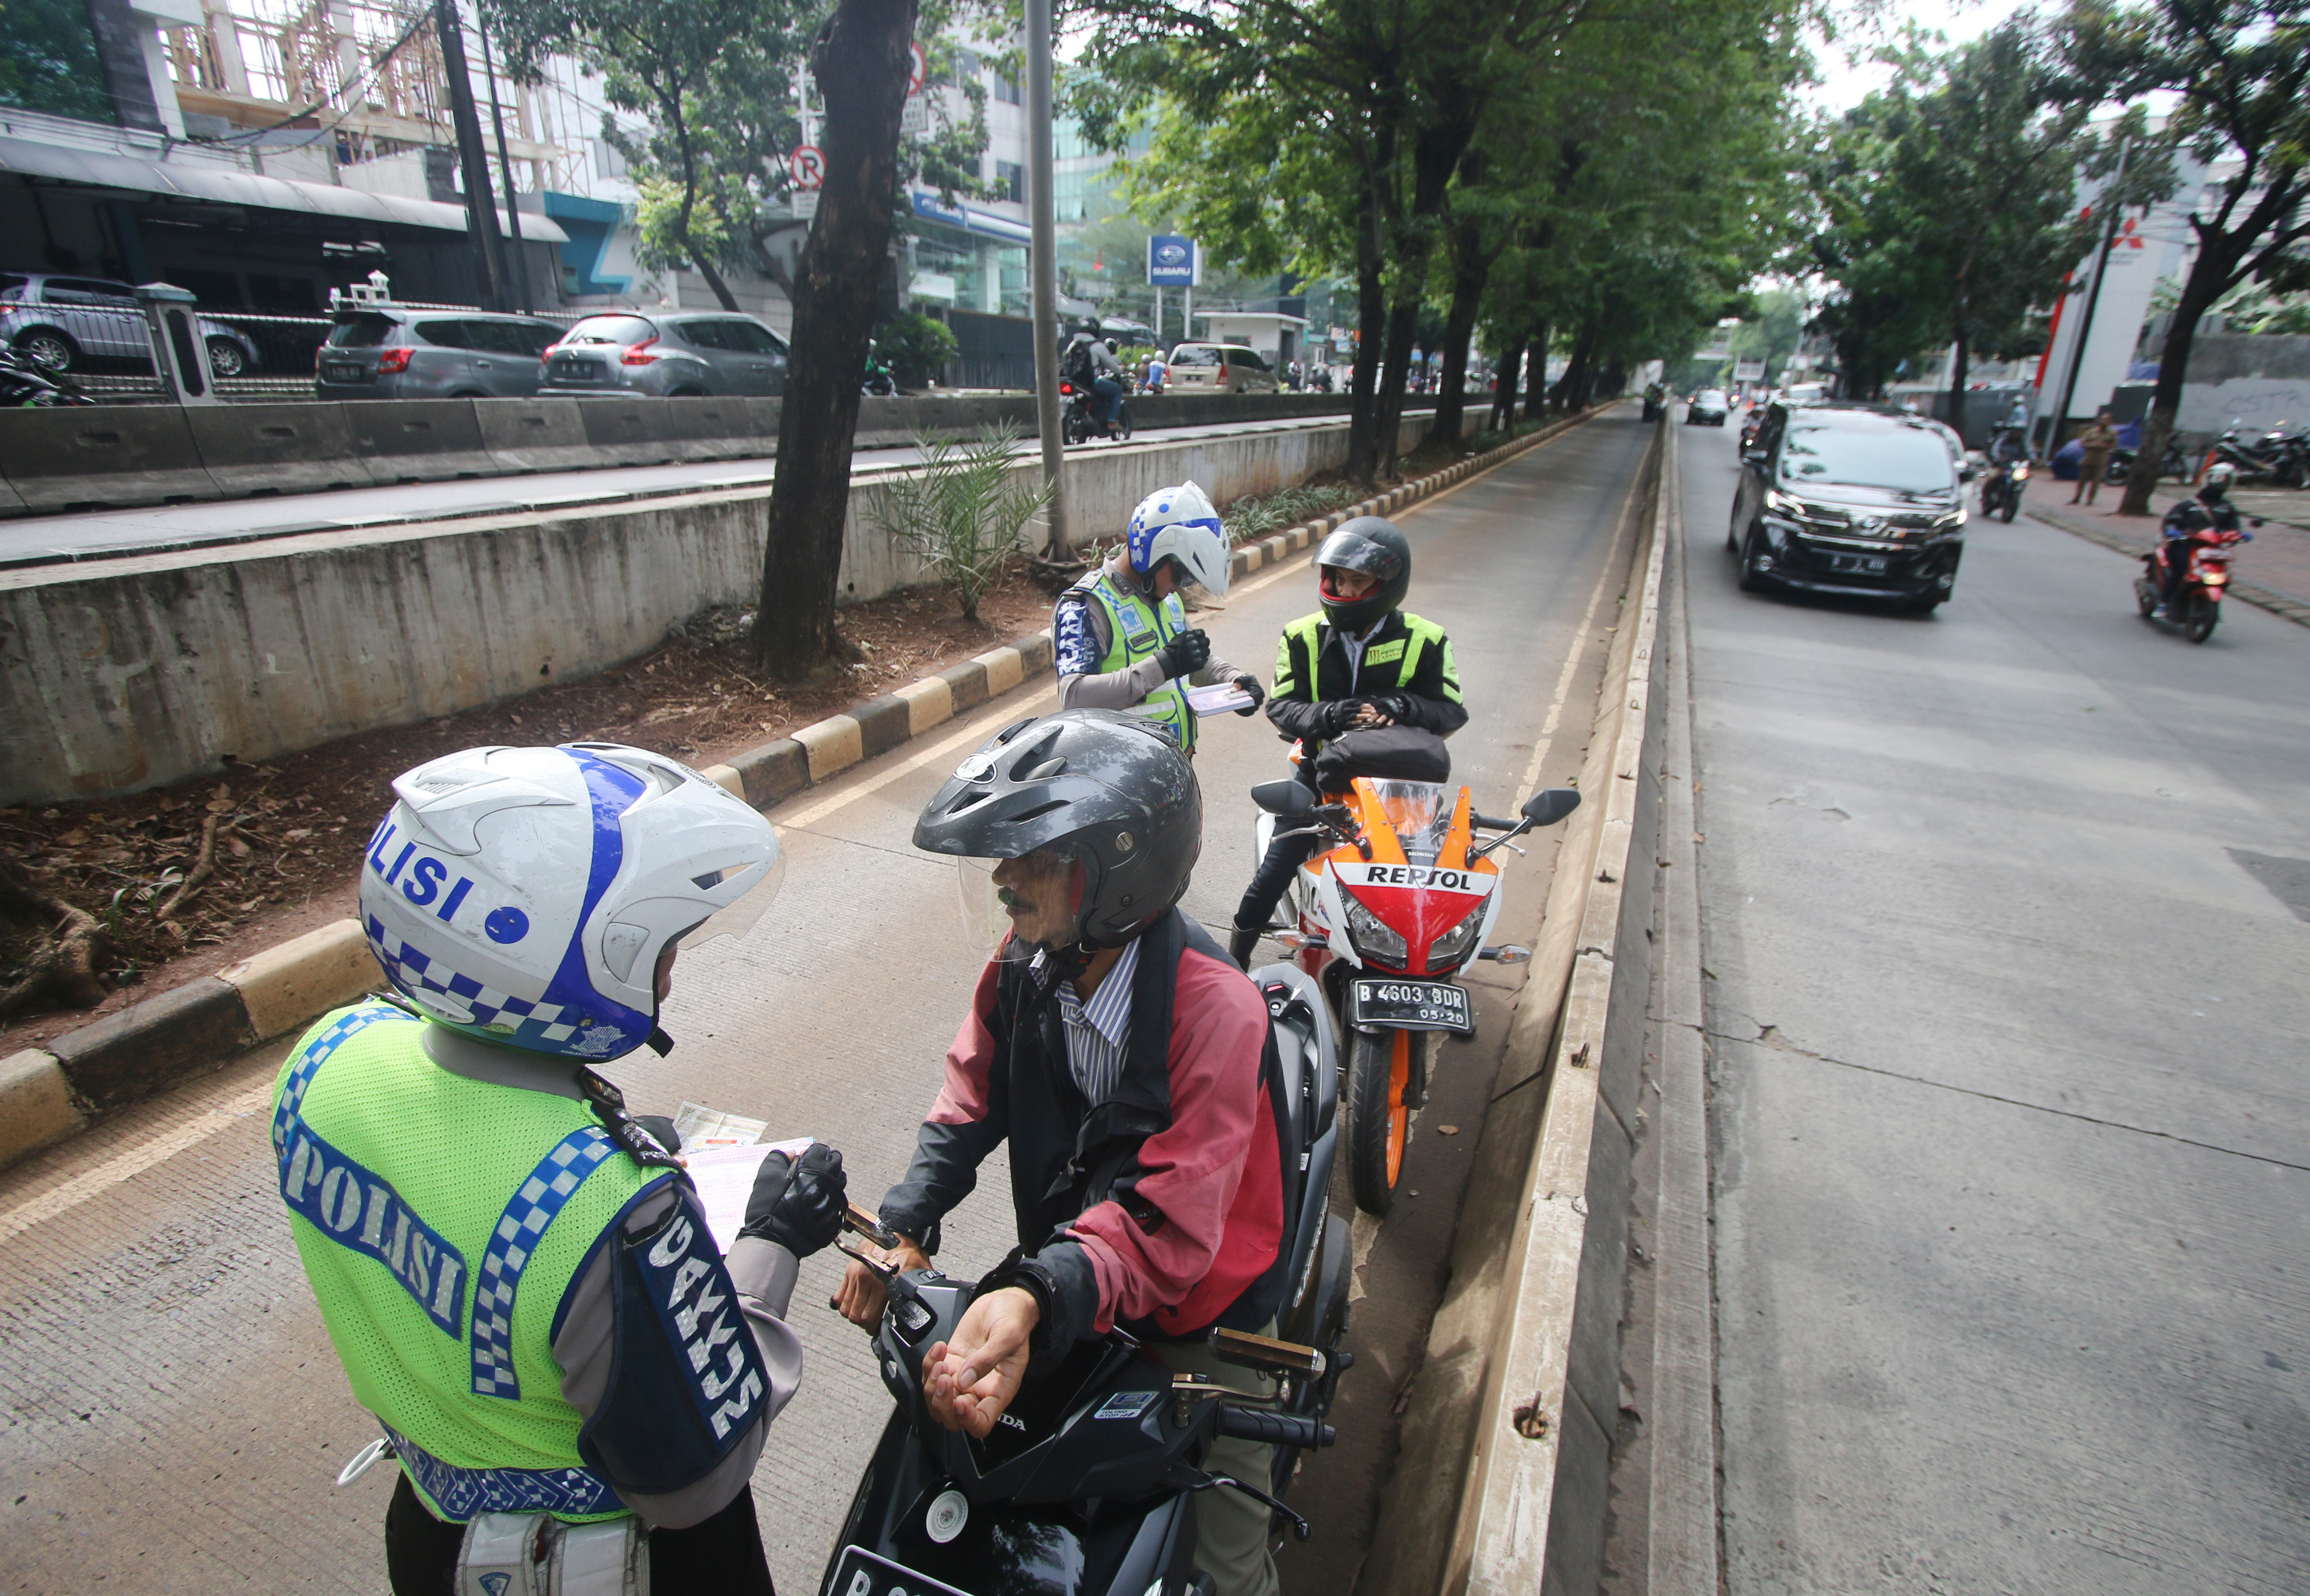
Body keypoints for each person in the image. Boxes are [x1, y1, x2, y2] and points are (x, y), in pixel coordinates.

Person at [276, 742, 847, 1594]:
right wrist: (769, 1247)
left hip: (429, 1530)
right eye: (654, 938)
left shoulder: (325, 1059)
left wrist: (592, 1140)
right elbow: (698, 1475)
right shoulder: (608, 1216)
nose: (671, 961)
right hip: (590, 1564)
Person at [835, 708, 1296, 1596]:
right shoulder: (1025, 963)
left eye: (1036, 858)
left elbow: (1169, 1222)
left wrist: (1036, 1290)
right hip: (1075, 1277)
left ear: (1117, 876)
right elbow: (971, 1098)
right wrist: (902, 1220)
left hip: (1203, 1310)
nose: (1006, 879)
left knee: (1227, 1560)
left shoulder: (1217, 1011)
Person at [1227, 517, 1466, 969]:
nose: (1346, 590)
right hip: (1321, 775)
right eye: (1339, 578)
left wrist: (1402, 707)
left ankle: (1438, 971)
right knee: (1275, 869)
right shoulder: (1300, 635)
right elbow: (1281, 706)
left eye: (1359, 581)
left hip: (1403, 785)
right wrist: (1327, 716)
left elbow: (1451, 710)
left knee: (1432, 883)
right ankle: (1235, 961)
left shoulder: (1427, 638)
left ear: (1389, 584)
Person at [1053, 480, 1266, 755]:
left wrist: (1235, 680)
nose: (1180, 585)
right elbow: (1074, 698)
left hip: (1173, 769)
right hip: (1120, 776)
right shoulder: (1086, 604)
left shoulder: (1168, 599)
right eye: (1182, 573)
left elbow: (1191, 662)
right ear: (1152, 553)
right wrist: (1162, 665)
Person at [2156, 461, 2245, 617]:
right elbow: (2171, 521)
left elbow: (2234, 527)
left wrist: (2238, 535)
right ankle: (2164, 602)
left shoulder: (2227, 507)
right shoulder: (2189, 504)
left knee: (2225, 572)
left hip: (2212, 548)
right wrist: (2173, 532)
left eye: (2226, 479)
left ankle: (2210, 603)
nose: (2222, 482)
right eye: (2219, 478)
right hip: (2185, 544)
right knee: (2180, 568)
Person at [1061, 322, 1127, 432]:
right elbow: (1112, 366)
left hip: (1073, 381)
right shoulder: (1098, 346)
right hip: (1091, 382)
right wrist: (1121, 370)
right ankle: (1111, 421)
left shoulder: (1072, 344)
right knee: (1117, 390)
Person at [2074, 410, 2118, 505]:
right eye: (2103, 420)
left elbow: (2114, 445)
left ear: (2110, 421)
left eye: (2106, 420)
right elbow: (2083, 443)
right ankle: (2077, 497)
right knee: (2082, 480)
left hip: (2101, 459)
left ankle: (2090, 499)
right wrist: (2093, 445)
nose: (2104, 422)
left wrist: (2104, 446)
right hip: (2089, 457)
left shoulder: (2112, 433)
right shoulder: (2091, 431)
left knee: (2096, 481)